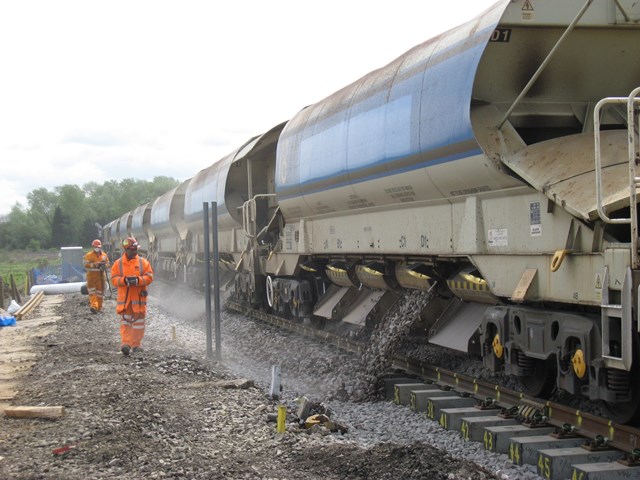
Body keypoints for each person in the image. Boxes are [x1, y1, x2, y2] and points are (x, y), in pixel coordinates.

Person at [110, 237, 154, 355]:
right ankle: (126, 344)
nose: (135, 252)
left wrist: (138, 280)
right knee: (126, 322)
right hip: (125, 301)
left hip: (138, 300)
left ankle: (136, 345)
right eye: (133, 250)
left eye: (136, 249)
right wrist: (124, 281)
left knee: (139, 323)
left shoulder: (143, 262)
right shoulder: (118, 264)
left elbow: (149, 277)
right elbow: (114, 279)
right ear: (126, 250)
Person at [83, 239, 111, 314]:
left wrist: (104, 266)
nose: (97, 248)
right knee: (92, 292)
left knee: (100, 293)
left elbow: (108, 263)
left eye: (98, 247)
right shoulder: (89, 255)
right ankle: (94, 306)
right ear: (93, 247)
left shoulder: (104, 255)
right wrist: (95, 265)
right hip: (91, 277)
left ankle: (98, 308)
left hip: (101, 277)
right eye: (96, 247)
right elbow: (85, 264)